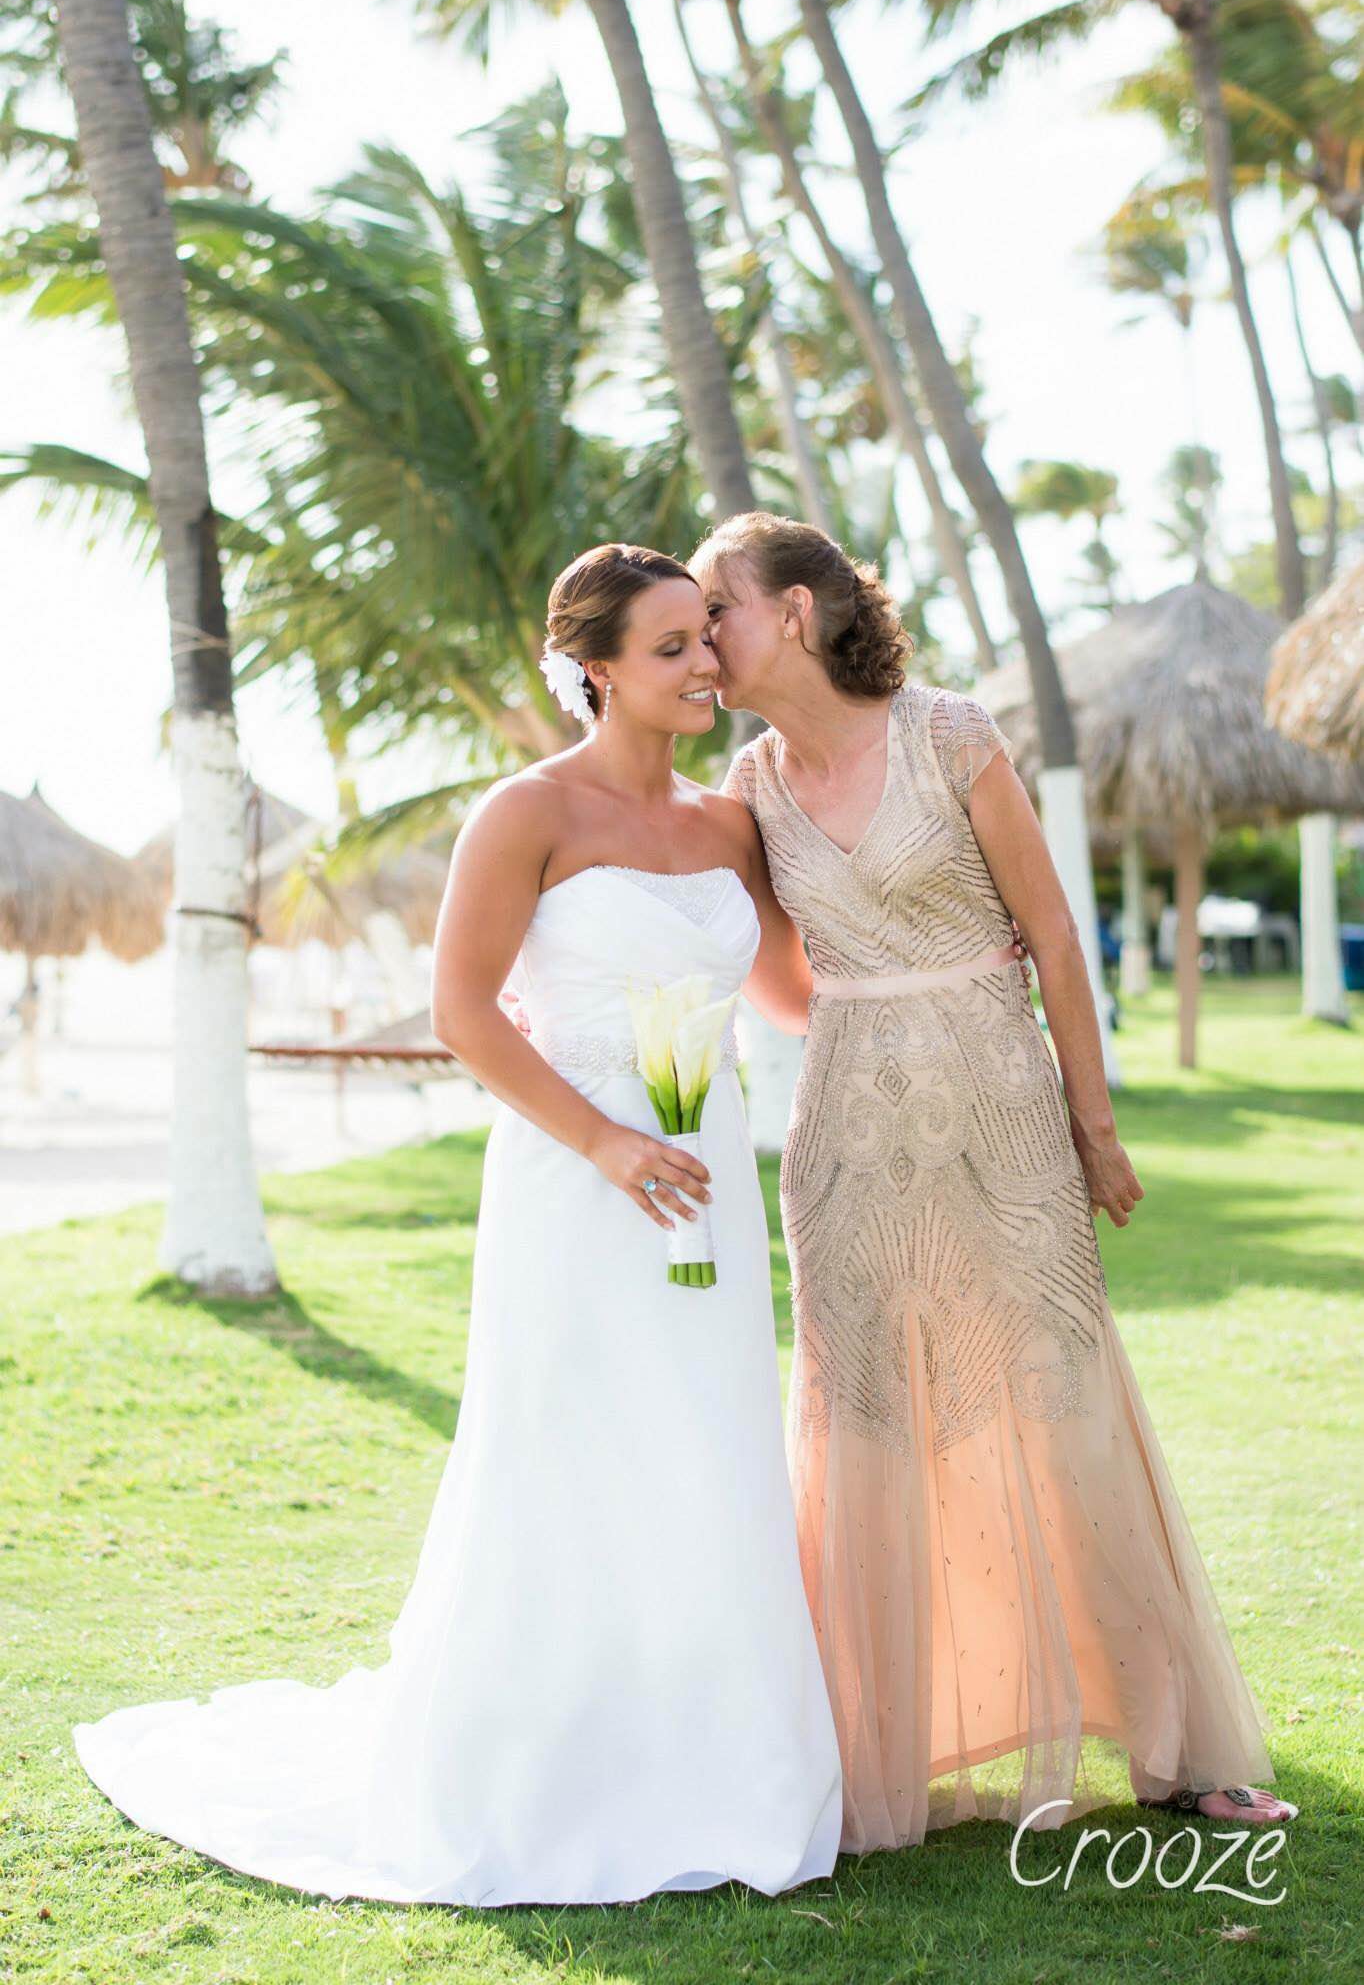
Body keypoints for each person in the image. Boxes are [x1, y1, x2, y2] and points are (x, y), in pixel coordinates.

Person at [72, 543, 843, 1907]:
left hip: (705, 1167)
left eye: (705, 641)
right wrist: (606, 1138)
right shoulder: (524, 814)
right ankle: (541, 1767)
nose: (703, 666)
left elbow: (792, 991)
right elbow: (463, 1013)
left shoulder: (734, 825)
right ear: (592, 668)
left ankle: (712, 1760)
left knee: (705, 1441)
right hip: (575, 1172)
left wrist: (933, 948)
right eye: (671, 648)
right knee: (570, 1445)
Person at [693, 509, 1299, 1848]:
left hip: (1006, 1114)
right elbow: (780, 983)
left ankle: (1174, 1750)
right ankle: (880, 1758)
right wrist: (874, 1010)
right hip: (846, 1135)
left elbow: (1054, 938)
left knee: (1062, 1398)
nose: (706, 638)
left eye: (720, 609)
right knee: (865, 1422)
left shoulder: (949, 733)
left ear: (793, 612)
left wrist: (1093, 1123)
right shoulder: (747, 785)